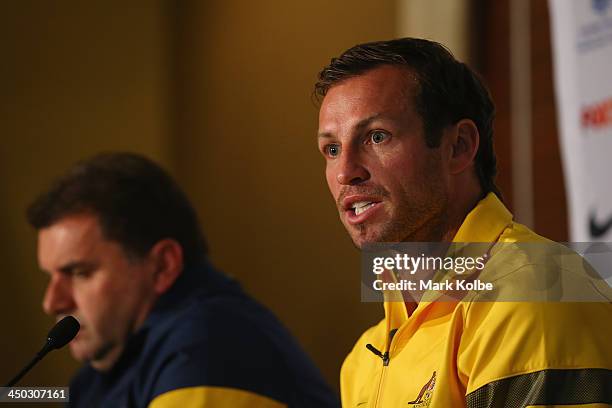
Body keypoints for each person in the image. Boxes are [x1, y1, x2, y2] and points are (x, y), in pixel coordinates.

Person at [314, 38, 612, 407]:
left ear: (458, 146)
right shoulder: (363, 360)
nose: (345, 172)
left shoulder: (532, 293)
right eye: (331, 149)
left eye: (377, 136)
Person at [27, 152, 339, 408]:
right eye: (50, 277)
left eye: (80, 273)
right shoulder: (97, 377)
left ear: (163, 266)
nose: (52, 302)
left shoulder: (210, 347)